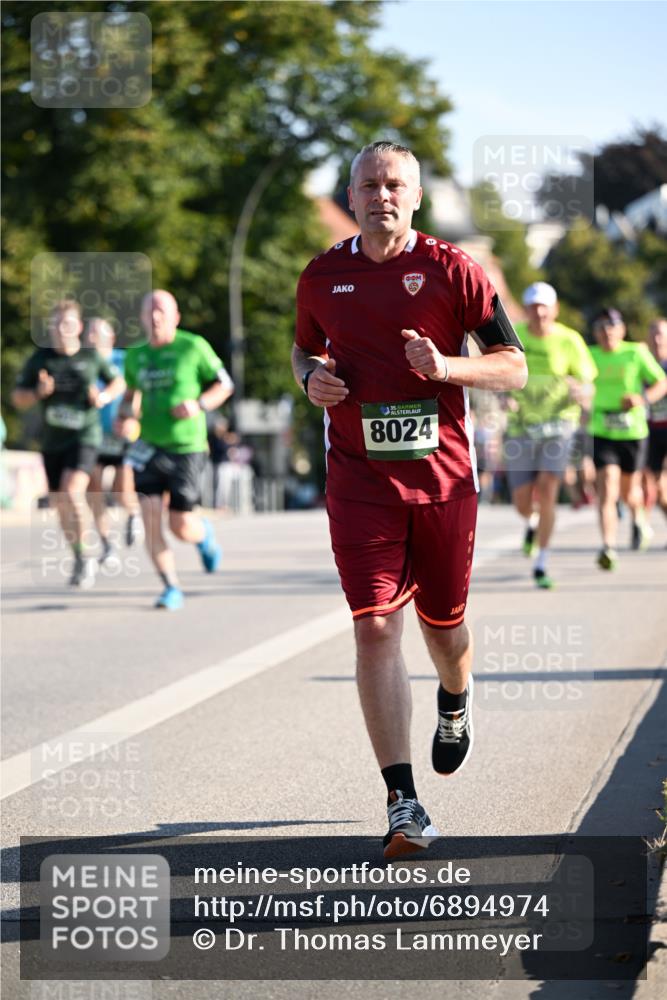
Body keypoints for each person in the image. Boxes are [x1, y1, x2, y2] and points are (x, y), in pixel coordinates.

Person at [292, 140, 527, 858]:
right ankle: (402, 802)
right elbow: (304, 351)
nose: (380, 194)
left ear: (414, 197)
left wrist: (448, 366)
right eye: (368, 184)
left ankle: (453, 704)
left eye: (394, 184)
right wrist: (310, 381)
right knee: (373, 628)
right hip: (358, 481)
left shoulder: (452, 270)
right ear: (353, 194)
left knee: (443, 626)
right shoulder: (321, 274)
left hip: (441, 480)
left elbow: (513, 367)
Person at [117, 290, 233, 609]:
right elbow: (129, 396)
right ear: (141, 318)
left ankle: (203, 535)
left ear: (175, 317)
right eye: (149, 312)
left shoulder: (193, 346)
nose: (155, 318)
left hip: (187, 447)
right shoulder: (135, 355)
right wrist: (124, 418)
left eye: (162, 312)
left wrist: (198, 404)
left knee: (180, 526)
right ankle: (170, 586)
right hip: (148, 448)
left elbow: (225, 384)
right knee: (151, 518)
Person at [12, 299, 125, 586]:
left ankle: (89, 555)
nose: (61, 330)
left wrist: (102, 398)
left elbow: (118, 383)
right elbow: (18, 398)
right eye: (56, 324)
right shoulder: (40, 359)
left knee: (72, 492)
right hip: (53, 443)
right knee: (60, 503)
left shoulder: (91, 357)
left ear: (78, 327)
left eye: (67, 324)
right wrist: (38, 392)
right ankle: (80, 555)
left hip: (84, 438)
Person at [503, 282, 597, 588]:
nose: (539, 312)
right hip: (522, 426)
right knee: (520, 501)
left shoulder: (570, 340)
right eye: (533, 306)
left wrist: (580, 392)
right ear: (527, 310)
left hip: (559, 426)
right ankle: (530, 524)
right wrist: (505, 395)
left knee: (548, 491)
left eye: (544, 306)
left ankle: (541, 562)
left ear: (554, 309)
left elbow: (587, 384)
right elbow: (500, 371)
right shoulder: (514, 335)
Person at [588, 308, 667, 569]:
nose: (607, 332)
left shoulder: (636, 352)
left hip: (633, 431)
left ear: (622, 330)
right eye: (602, 327)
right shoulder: (591, 355)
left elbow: (661, 382)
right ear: (596, 333)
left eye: (612, 327)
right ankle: (608, 547)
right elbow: (575, 378)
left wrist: (642, 399)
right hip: (602, 429)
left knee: (628, 491)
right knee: (607, 489)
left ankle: (638, 516)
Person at [85, 317, 140, 560]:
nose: (92, 338)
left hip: (121, 433)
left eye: (98, 333)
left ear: (111, 338)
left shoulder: (123, 360)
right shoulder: (84, 363)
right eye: (90, 333)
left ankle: (133, 514)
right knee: (93, 487)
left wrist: (132, 417)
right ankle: (107, 542)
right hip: (92, 434)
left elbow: (137, 390)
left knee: (122, 487)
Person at [644, 317, 667, 527]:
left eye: (661, 334)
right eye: (654, 334)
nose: (658, 339)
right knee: (660, 491)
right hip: (650, 431)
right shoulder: (642, 364)